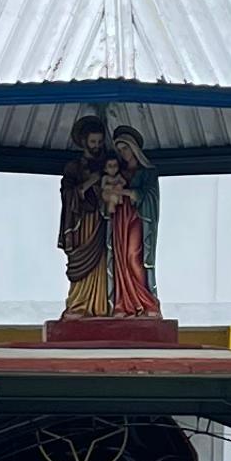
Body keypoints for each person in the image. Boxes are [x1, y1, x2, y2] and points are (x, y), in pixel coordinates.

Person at [103, 123, 162, 321]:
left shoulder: (147, 172)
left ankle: (146, 302)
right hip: (119, 218)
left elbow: (149, 195)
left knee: (133, 257)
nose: (123, 153)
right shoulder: (118, 171)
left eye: (125, 148)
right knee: (120, 259)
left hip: (137, 217)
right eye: (120, 150)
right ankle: (124, 303)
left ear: (134, 148)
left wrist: (126, 192)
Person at [57, 113, 112, 316]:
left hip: (101, 219)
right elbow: (67, 194)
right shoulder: (73, 167)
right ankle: (79, 303)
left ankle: (100, 305)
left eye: (99, 142)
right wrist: (90, 182)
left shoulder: (108, 164)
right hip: (81, 222)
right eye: (93, 142)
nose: (97, 146)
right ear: (83, 142)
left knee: (102, 259)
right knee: (82, 262)